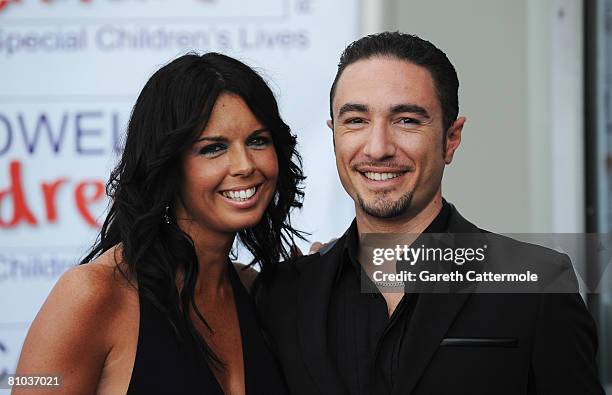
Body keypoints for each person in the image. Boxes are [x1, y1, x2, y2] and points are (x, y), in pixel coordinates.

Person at [254, 32, 605, 394]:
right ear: (335, 135)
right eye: (356, 120)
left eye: (406, 120)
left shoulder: (539, 283)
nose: (378, 148)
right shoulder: (282, 294)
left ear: (451, 139)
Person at [14, 52, 302, 394]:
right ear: (167, 163)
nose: (244, 165)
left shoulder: (259, 295)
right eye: (213, 148)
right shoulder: (94, 294)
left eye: (257, 140)